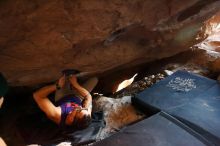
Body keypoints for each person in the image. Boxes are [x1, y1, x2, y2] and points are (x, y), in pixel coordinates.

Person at [33, 75, 98, 129]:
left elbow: (37, 95)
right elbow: (88, 96)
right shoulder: (85, 114)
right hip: (78, 96)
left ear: (71, 119)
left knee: (65, 75)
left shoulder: (57, 114)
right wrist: (76, 85)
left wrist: (57, 86)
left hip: (62, 96)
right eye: (82, 108)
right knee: (95, 79)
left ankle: (69, 85)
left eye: (78, 110)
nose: (80, 107)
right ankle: (73, 86)